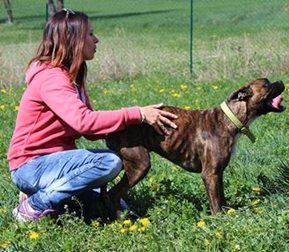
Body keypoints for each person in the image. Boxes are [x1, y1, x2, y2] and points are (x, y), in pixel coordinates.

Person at [7, 9, 177, 222]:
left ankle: (40, 195)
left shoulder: (71, 76)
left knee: (112, 207)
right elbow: (85, 123)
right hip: (31, 165)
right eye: (90, 34)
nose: (96, 40)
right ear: (73, 40)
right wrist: (138, 114)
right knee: (109, 162)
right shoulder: (52, 79)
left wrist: (135, 127)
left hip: (53, 165)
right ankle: (35, 205)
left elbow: (89, 131)